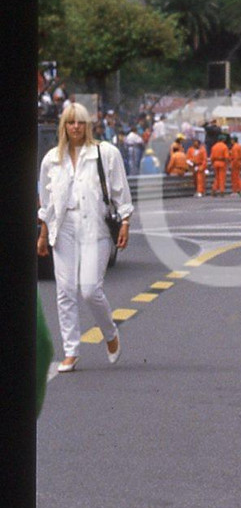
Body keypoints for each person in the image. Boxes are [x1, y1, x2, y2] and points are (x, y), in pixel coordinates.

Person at [37, 103, 132, 372]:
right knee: (64, 291)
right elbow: (47, 202)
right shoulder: (51, 160)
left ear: (88, 125)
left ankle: (110, 333)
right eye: (70, 122)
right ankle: (71, 351)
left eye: (80, 122)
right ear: (63, 126)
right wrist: (43, 234)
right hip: (64, 226)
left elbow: (120, 191)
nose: (75, 127)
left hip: (96, 227)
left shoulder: (106, 153)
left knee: (90, 290)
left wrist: (125, 221)